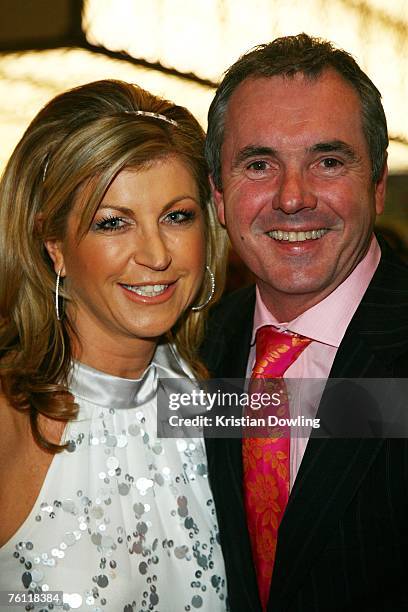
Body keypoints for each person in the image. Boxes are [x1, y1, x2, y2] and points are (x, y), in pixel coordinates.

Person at [0, 79, 229, 611]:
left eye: (177, 217)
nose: (155, 254)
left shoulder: (210, 398)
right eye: (113, 223)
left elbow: (373, 413)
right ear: (52, 244)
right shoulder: (12, 417)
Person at [201, 34, 408, 611]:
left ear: (377, 183)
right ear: (219, 195)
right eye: (260, 164)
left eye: (328, 161)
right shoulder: (191, 352)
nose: (292, 198)